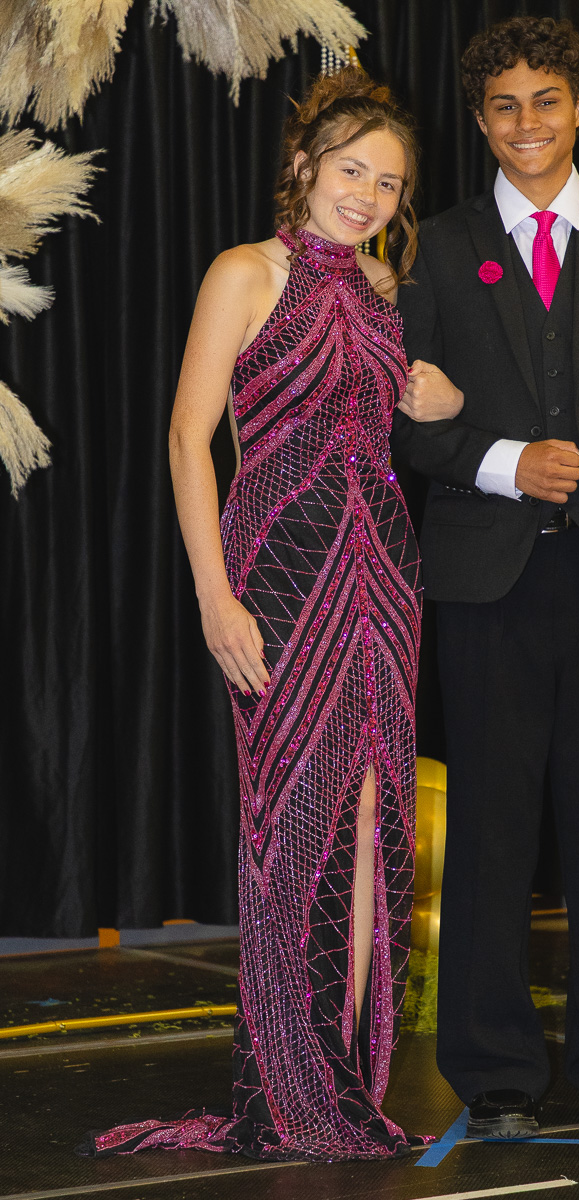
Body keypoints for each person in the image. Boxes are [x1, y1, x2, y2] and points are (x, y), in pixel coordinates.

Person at [83, 68, 459, 1162]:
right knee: (291, 822)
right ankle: (288, 1089)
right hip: (280, 567)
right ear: (302, 166)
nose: (370, 196)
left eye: (388, 183)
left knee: (372, 821)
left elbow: (389, 414)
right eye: (352, 171)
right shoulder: (246, 272)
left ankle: (341, 1084)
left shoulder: (388, 290)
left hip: (384, 569)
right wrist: (212, 594)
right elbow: (186, 435)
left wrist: (438, 398)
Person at [393, 15, 579, 1138]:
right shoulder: (432, 247)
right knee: (487, 828)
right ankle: (496, 1078)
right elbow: (406, 428)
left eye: (546, 101)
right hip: (483, 584)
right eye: (504, 105)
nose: (527, 123)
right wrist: (502, 461)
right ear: (480, 119)